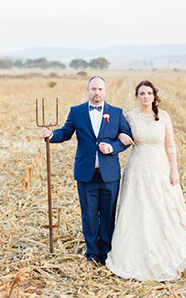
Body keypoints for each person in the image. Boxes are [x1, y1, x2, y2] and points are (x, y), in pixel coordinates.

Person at [104, 80, 186, 281]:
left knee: (163, 206)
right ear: (137, 96)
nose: (145, 96)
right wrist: (122, 133)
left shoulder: (163, 116)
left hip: (159, 167)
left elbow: (171, 145)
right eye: (142, 93)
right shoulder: (129, 116)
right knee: (137, 207)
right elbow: (118, 134)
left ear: (154, 96)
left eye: (149, 93)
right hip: (137, 168)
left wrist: (174, 170)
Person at [42, 76, 133, 266]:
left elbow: (126, 139)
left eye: (100, 89)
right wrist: (51, 135)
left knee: (108, 214)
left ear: (105, 90)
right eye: (93, 89)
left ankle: (106, 253)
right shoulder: (77, 112)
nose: (96, 93)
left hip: (109, 174)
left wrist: (113, 147)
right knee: (89, 214)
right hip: (86, 173)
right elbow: (65, 133)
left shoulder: (116, 113)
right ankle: (92, 253)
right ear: (87, 90)